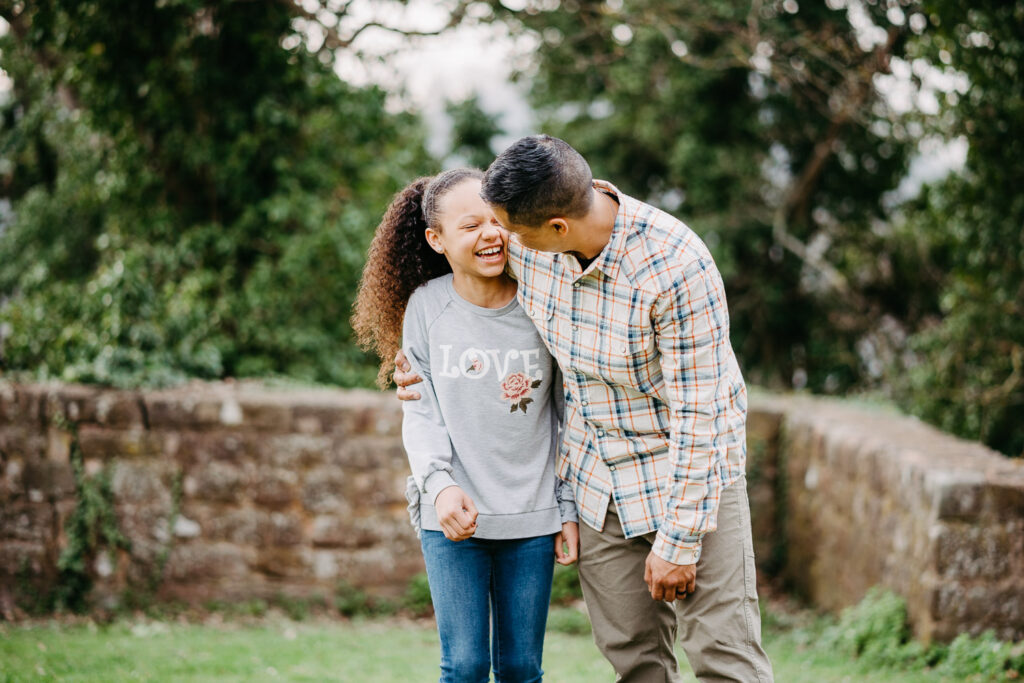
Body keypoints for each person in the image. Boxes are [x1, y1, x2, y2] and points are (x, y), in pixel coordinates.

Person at [394, 137, 774, 682]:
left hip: (686, 481)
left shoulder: (675, 265)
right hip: (598, 489)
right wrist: (406, 365)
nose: (504, 243)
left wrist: (680, 539)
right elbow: (454, 292)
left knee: (723, 658)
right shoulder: (531, 241)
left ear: (557, 229)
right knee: (634, 660)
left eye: (512, 232)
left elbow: (702, 415)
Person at [352, 167, 579, 683]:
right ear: (437, 240)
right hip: (453, 515)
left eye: (497, 220)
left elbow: (569, 415)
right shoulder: (427, 308)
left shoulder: (542, 304)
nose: (491, 235)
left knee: (522, 668)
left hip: (533, 517)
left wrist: (566, 508)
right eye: (470, 225)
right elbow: (421, 409)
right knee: (466, 666)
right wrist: (438, 486)